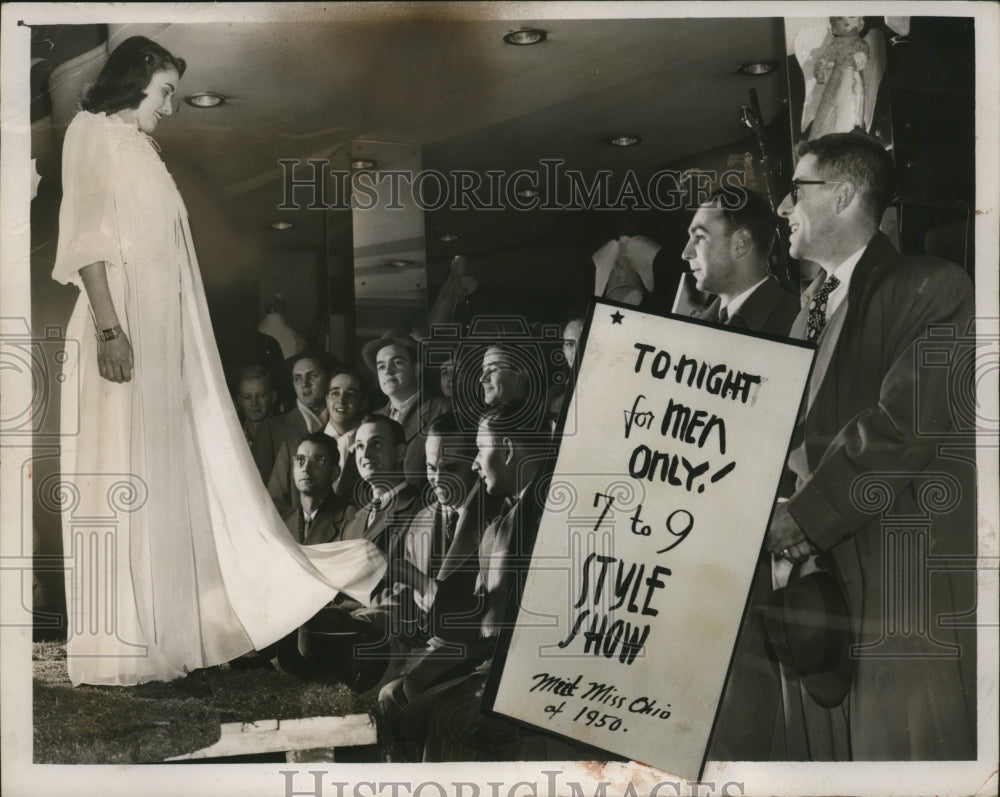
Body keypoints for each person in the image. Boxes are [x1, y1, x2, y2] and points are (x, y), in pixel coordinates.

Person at [51, 36, 384, 686]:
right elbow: (88, 238)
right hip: (119, 327)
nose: (170, 107)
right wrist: (112, 327)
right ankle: (120, 644)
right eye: (165, 92)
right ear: (133, 81)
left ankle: (158, 637)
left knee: (164, 482)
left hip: (154, 340)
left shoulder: (140, 148)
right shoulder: (90, 132)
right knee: (123, 480)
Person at [764, 132, 975, 759]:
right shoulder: (809, 313)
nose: (781, 207)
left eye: (796, 190)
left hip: (900, 586)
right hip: (819, 597)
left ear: (845, 194)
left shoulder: (934, 288)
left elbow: (898, 430)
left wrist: (798, 519)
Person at [677, 188, 798, 760]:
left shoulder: (793, 321)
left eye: (700, 236)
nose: (686, 251)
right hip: (694, 552)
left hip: (758, 561)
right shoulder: (700, 325)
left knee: (744, 731)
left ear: (742, 241)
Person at [683, 187, 799, 334]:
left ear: (741, 244)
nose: (686, 253)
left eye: (699, 237)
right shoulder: (696, 325)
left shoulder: (796, 323)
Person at [268, 366, 367, 516]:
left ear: (363, 402)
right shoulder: (292, 447)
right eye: (335, 393)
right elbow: (275, 506)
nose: (341, 400)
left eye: (350, 394)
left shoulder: (371, 451)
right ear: (326, 399)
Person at [362, 330, 450, 485]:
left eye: (397, 363)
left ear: (417, 369)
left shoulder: (442, 409)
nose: (388, 371)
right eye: (381, 367)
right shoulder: (374, 418)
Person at [253, 353, 330, 481]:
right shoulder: (271, 429)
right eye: (298, 378)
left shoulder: (342, 423)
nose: (305, 384)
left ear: (327, 379)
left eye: (313, 376)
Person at [283, 432, 353, 545]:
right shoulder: (284, 525)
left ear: (335, 472)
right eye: (300, 460)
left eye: (317, 461)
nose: (306, 468)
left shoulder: (351, 519)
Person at [235, 364, 277, 451]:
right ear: (239, 401)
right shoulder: (233, 437)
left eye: (261, 395)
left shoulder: (285, 436)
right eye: (247, 397)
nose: (254, 403)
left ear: (273, 396)